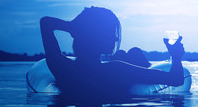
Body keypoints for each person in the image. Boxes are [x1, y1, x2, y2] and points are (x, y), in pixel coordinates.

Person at [40, 6, 185, 100]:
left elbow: (45, 22)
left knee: (131, 54)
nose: (115, 37)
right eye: (110, 32)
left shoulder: (61, 67)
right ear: (96, 36)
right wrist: (176, 56)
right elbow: (176, 79)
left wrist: (72, 27)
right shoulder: (116, 70)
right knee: (134, 53)